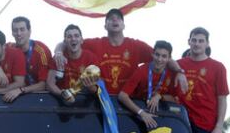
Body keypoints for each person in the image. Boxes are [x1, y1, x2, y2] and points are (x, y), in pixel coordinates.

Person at [54, 8, 188, 94]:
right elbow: (67, 43)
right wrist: (59, 52)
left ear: (124, 25)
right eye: (110, 18)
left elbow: (162, 58)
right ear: (105, 26)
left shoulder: (136, 45)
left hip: (127, 102)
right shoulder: (95, 43)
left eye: (118, 18)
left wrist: (179, 71)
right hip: (101, 100)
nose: (114, 19)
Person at [176, 27, 229, 133]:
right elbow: (164, 63)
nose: (197, 44)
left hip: (205, 127)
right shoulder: (179, 64)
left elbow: (222, 98)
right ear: (188, 41)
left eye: (201, 40)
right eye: (194, 40)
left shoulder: (217, 67)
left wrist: (219, 127)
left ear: (207, 44)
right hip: (181, 124)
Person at [0, 16, 52, 102]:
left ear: (29, 31)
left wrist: (21, 90)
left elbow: (44, 85)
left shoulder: (41, 50)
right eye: (15, 30)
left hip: (40, 97)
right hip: (17, 96)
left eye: (22, 29)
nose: (19, 33)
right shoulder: (10, 47)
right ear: (12, 33)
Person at [118, 40, 176, 128]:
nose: (159, 59)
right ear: (152, 54)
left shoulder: (171, 73)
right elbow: (122, 96)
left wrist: (159, 96)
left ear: (169, 58)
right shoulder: (141, 71)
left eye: (164, 56)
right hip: (138, 115)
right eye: (157, 55)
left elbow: (174, 99)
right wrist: (141, 113)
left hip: (161, 117)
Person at [46, 24, 98, 98]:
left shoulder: (91, 58)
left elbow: (97, 90)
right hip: (61, 104)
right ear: (65, 41)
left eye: (76, 36)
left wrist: (91, 87)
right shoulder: (58, 57)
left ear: (82, 40)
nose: (73, 39)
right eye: (69, 36)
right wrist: (63, 95)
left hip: (86, 104)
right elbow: (49, 84)